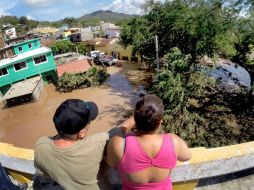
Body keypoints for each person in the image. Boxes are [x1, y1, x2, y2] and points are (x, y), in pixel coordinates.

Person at [33, 99, 135, 190]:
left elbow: (43, 174)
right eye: (89, 121)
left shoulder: (41, 145)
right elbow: (120, 130)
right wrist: (139, 113)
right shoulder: (96, 144)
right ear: (81, 133)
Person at [106, 95, 192, 190]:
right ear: (159, 123)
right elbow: (187, 156)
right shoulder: (173, 142)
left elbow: (111, 163)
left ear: (135, 119)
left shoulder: (119, 144)